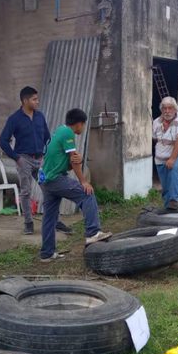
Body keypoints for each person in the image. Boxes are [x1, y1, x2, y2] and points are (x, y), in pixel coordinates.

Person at [38, 108, 111, 262]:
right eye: (83, 125)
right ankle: (93, 233)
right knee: (87, 194)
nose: (82, 129)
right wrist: (83, 181)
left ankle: (47, 253)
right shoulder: (68, 133)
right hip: (56, 179)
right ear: (78, 124)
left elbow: (68, 162)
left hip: (46, 180)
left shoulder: (59, 131)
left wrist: (76, 161)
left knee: (50, 217)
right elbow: (73, 159)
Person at [0, 86, 72, 236]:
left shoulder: (40, 117)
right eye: (34, 99)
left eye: (37, 99)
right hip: (24, 160)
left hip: (40, 162)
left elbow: (47, 137)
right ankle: (28, 223)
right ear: (25, 101)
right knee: (26, 192)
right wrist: (16, 157)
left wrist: (46, 154)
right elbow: (3, 141)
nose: (37, 102)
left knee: (50, 189)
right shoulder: (14, 119)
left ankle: (55, 221)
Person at [152, 96, 178, 210]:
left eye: (170, 108)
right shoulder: (156, 122)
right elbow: (154, 139)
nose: (167, 111)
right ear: (161, 110)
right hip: (160, 159)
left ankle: (174, 200)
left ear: (175, 109)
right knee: (166, 186)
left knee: (173, 168)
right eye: (164, 108)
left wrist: (172, 159)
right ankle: (169, 209)